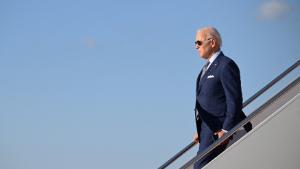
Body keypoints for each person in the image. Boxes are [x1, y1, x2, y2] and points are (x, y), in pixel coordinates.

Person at [193, 27, 251, 169]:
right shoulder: (205, 69)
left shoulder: (225, 65)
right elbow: (211, 101)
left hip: (219, 130)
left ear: (212, 42)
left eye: (199, 42)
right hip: (208, 129)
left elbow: (234, 100)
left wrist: (226, 130)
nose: (196, 46)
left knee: (200, 166)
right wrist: (200, 130)